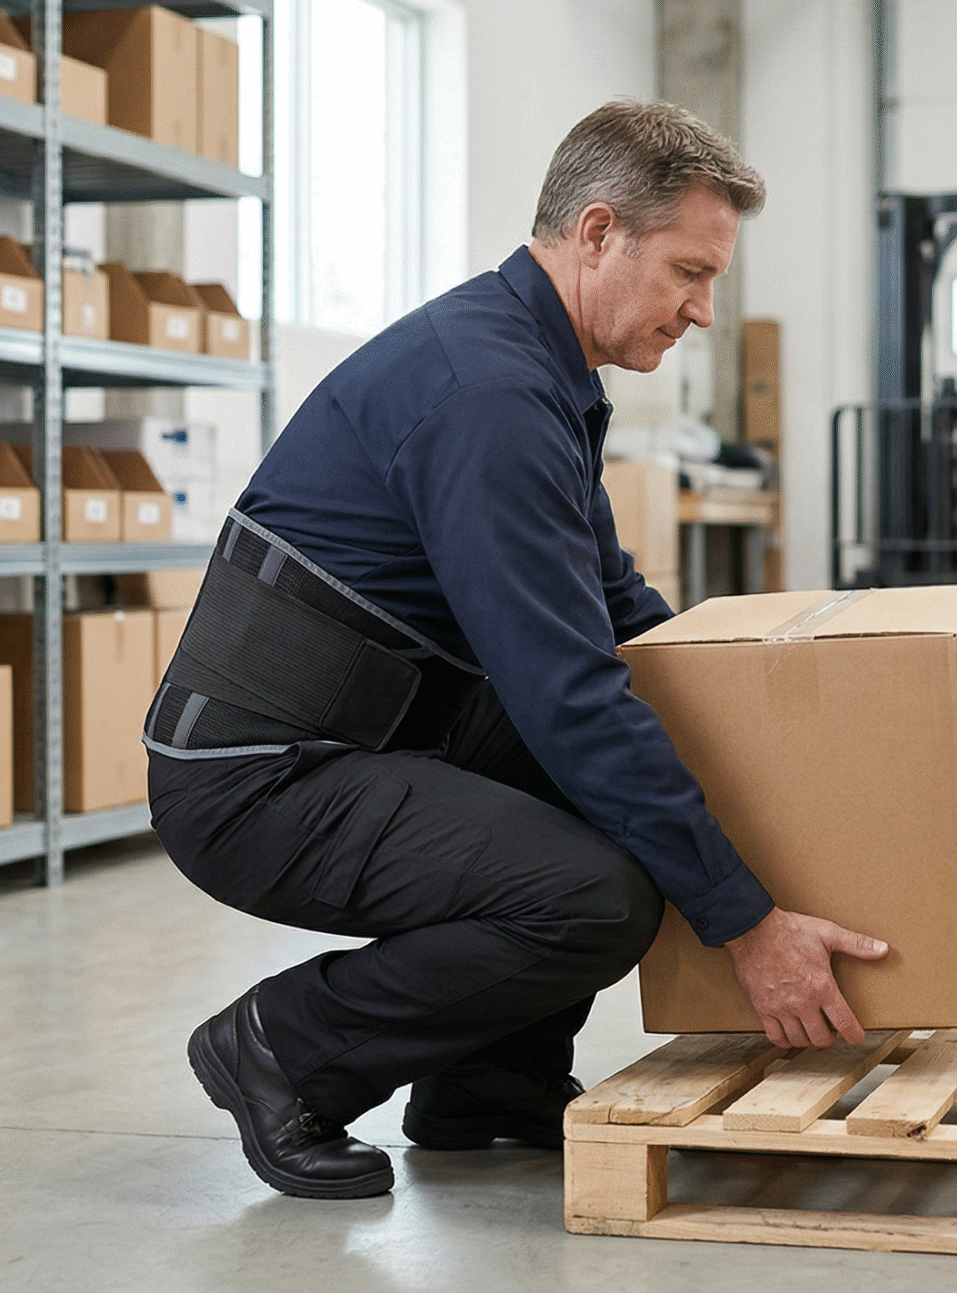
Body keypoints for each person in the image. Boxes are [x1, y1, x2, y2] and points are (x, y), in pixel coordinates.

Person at [149, 99, 887, 1201]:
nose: (704, 310)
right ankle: (283, 1048)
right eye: (690, 270)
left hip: (379, 727)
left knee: (641, 784)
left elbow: (616, 605)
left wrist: (769, 700)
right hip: (261, 776)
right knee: (594, 894)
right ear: (597, 235)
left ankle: (487, 1084)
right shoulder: (488, 394)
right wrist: (744, 921)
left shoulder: (537, 366)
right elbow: (572, 696)